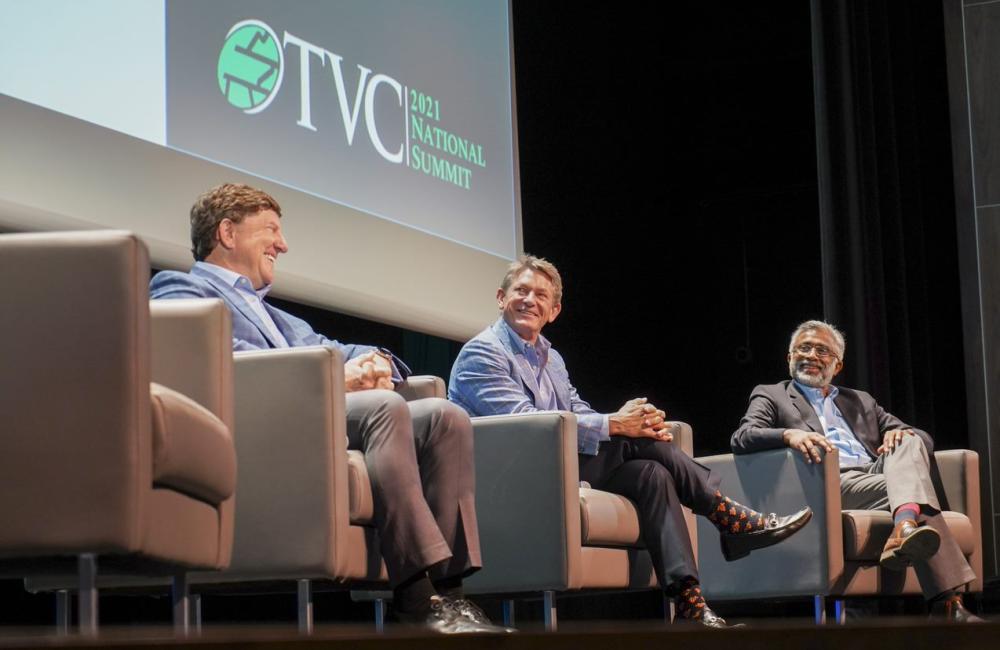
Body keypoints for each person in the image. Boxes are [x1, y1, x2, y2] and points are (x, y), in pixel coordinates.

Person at [151, 183, 510, 634]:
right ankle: (416, 598)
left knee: (445, 416)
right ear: (227, 232)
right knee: (383, 408)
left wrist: (377, 362)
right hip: (263, 424)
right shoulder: (180, 287)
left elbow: (335, 348)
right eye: (271, 230)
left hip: (317, 418)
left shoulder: (278, 317)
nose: (283, 244)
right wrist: (341, 378)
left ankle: (450, 597)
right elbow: (215, 363)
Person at [449, 255, 812, 628]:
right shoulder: (483, 352)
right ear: (500, 297)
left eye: (541, 295)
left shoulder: (551, 358)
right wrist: (617, 424)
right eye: (521, 291)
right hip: (509, 478)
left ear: (554, 310)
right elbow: (525, 424)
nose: (530, 300)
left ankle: (689, 602)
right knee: (633, 440)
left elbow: (575, 408)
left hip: (557, 467)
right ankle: (728, 515)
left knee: (652, 473)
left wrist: (630, 423)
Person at [731, 320, 982, 622]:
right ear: (789, 358)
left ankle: (904, 526)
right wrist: (788, 435)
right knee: (916, 488)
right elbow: (743, 437)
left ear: (837, 366)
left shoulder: (860, 400)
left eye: (823, 351)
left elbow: (923, 440)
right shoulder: (773, 394)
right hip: (827, 481)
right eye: (804, 348)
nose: (812, 355)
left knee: (909, 439)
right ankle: (946, 602)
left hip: (875, 474)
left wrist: (898, 433)